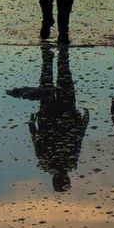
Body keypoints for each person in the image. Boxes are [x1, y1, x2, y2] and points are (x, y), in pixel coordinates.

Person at [28, 46, 88, 192]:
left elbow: (78, 137)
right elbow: (36, 139)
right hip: (49, 117)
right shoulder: (46, 162)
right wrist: (31, 123)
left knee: (64, 80)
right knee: (48, 82)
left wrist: (84, 122)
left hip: (65, 116)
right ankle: (49, 55)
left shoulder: (69, 161)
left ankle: (62, 54)